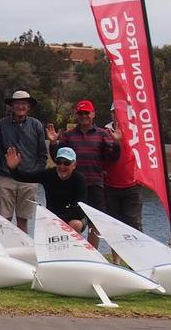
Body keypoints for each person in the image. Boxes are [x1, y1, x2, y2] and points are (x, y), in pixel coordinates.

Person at [47, 99, 120, 248]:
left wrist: (117, 143)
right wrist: (53, 143)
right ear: (76, 115)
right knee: (73, 221)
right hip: (73, 186)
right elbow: (58, 159)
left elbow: (113, 158)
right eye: (80, 113)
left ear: (93, 114)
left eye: (86, 113)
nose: (83, 116)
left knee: (95, 222)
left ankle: (91, 253)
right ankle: (74, 250)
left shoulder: (103, 134)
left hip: (95, 184)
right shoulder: (68, 135)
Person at [0, 90, 46, 233]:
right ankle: (5, 253)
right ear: (11, 106)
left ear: (29, 106)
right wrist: (0, 169)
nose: (20, 106)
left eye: (24, 103)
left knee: (23, 221)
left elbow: (42, 154)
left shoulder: (36, 125)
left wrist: (35, 174)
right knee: (3, 221)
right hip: (6, 178)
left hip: (28, 179)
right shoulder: (2, 124)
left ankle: (22, 254)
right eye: (17, 103)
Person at [6, 147, 88, 232]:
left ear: (74, 165)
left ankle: (73, 245)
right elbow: (24, 177)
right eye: (59, 162)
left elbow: (81, 209)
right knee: (45, 224)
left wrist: (58, 219)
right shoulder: (49, 174)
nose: (62, 166)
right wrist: (13, 169)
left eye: (66, 163)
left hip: (74, 217)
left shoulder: (79, 180)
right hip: (52, 216)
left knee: (75, 224)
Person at [102, 101, 142, 263]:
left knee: (134, 226)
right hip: (110, 185)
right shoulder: (105, 132)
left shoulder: (135, 131)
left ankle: (137, 261)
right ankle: (116, 261)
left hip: (132, 185)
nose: (117, 115)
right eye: (114, 112)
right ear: (111, 114)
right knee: (113, 227)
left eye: (121, 112)